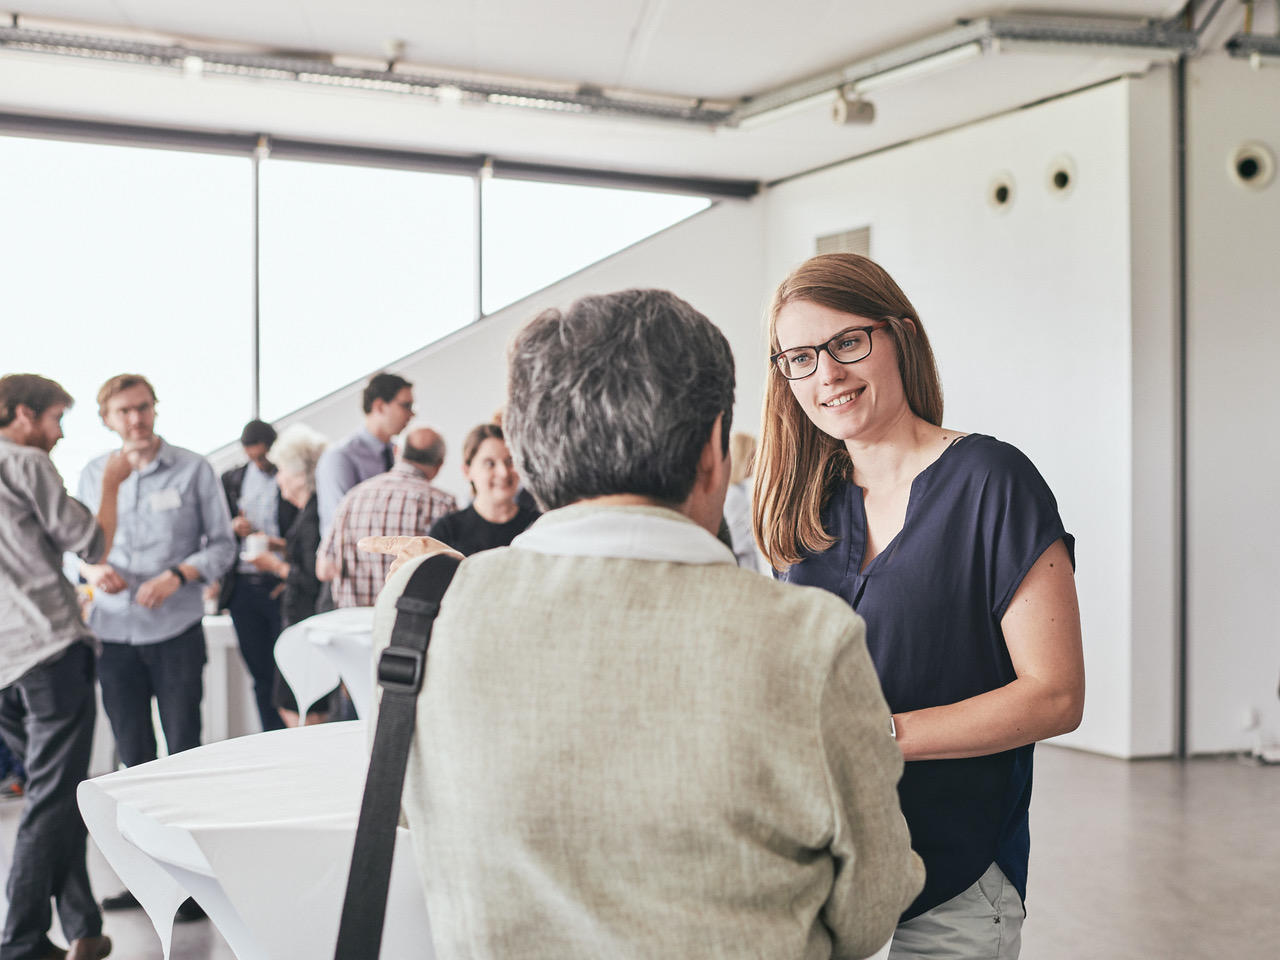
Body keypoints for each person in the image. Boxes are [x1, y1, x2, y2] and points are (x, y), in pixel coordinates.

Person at [361, 288, 923, 959]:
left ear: (529, 449)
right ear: (714, 446)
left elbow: (406, 815)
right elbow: (870, 910)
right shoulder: (808, 640)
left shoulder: (419, 612)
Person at [755, 253, 1085, 959]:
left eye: (847, 343)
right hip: (824, 870)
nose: (828, 375)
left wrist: (879, 735)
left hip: (955, 875)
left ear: (898, 335)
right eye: (801, 358)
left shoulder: (992, 481)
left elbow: (1055, 696)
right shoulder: (802, 510)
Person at [77, 374, 236, 920]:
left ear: (155, 410)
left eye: (143, 408)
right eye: (124, 412)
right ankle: (146, 880)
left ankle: (196, 882)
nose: (136, 420)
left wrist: (177, 574)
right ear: (107, 419)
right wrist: (94, 569)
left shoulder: (194, 469)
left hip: (175, 631)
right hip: (114, 634)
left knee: (184, 751)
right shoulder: (94, 472)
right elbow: (74, 552)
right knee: (133, 760)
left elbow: (222, 546)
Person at [0, 373, 133, 960]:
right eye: (55, 419)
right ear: (23, 415)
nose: (57, 433)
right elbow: (93, 543)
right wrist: (110, 483)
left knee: (54, 793)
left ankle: (82, 927)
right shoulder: (26, 463)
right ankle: (22, 939)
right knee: (54, 799)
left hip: (5, 665)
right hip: (49, 650)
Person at [245, 424, 332, 726]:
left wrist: (274, 565)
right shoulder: (311, 513)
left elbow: (311, 577)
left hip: (307, 623)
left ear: (297, 475)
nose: (278, 478)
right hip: (304, 622)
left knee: (300, 710)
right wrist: (278, 545)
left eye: (281, 470)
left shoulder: (313, 516)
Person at [216, 419, 297, 733]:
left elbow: (302, 539)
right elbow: (215, 526)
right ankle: (270, 737)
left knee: (286, 671)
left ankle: (292, 739)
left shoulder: (289, 478)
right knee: (260, 676)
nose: (259, 463)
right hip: (243, 589)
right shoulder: (233, 479)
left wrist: (273, 543)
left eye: (263, 457)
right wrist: (233, 527)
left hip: (280, 584)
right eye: (253, 457)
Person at [317, 427, 456, 609]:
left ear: (397, 451)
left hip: (351, 624)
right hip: (403, 624)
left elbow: (324, 569)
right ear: (439, 465)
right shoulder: (442, 503)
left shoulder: (352, 498)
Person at [314, 372, 414, 539]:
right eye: (406, 406)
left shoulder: (399, 453)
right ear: (380, 406)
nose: (412, 415)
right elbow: (340, 524)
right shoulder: (341, 457)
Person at [426, 424, 538, 556]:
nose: (503, 473)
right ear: (467, 471)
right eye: (490, 463)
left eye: (510, 461)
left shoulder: (538, 526)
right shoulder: (447, 531)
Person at [722, 430, 762, 572]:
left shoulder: (737, 491)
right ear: (742, 458)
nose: (756, 461)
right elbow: (739, 543)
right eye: (752, 456)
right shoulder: (734, 496)